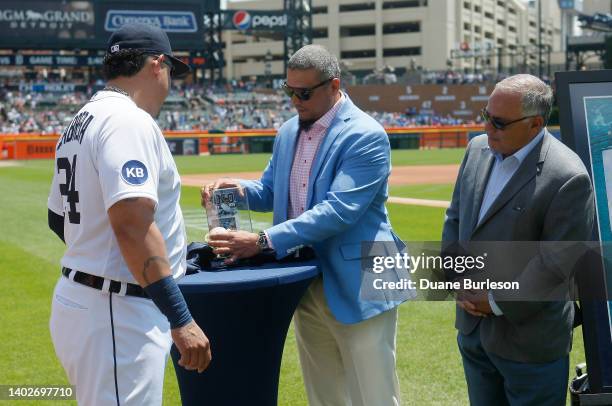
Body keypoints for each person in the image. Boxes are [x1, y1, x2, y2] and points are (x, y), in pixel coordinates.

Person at [201, 44, 410, 405]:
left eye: (304, 92)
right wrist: (236, 190)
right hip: (306, 280)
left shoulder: (366, 134)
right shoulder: (287, 132)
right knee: (324, 395)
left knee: (373, 395)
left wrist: (264, 240)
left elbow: (339, 210)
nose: (296, 100)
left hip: (361, 279)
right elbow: (270, 191)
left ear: (333, 85)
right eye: (289, 91)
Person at [47, 23, 211, 405]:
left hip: (88, 298)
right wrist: (181, 318)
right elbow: (132, 229)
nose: (171, 83)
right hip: (116, 309)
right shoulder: (127, 119)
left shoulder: (80, 120)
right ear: (156, 65)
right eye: (171, 70)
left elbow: (58, 220)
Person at [442, 74, 594, 406]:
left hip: (530, 345)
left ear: (535, 123)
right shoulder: (476, 150)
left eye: (498, 122)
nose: (487, 128)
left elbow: (556, 264)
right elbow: (455, 220)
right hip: (473, 333)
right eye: (485, 116)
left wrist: (495, 300)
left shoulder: (569, 176)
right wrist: (458, 278)